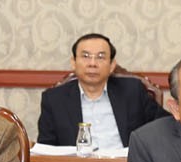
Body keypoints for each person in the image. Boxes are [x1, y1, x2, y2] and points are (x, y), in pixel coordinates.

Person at [36, 32, 168, 149]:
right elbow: (45, 149)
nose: (92, 63)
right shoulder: (54, 99)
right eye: (86, 56)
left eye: (100, 57)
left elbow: (165, 124)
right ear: (73, 62)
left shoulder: (132, 91)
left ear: (112, 65)